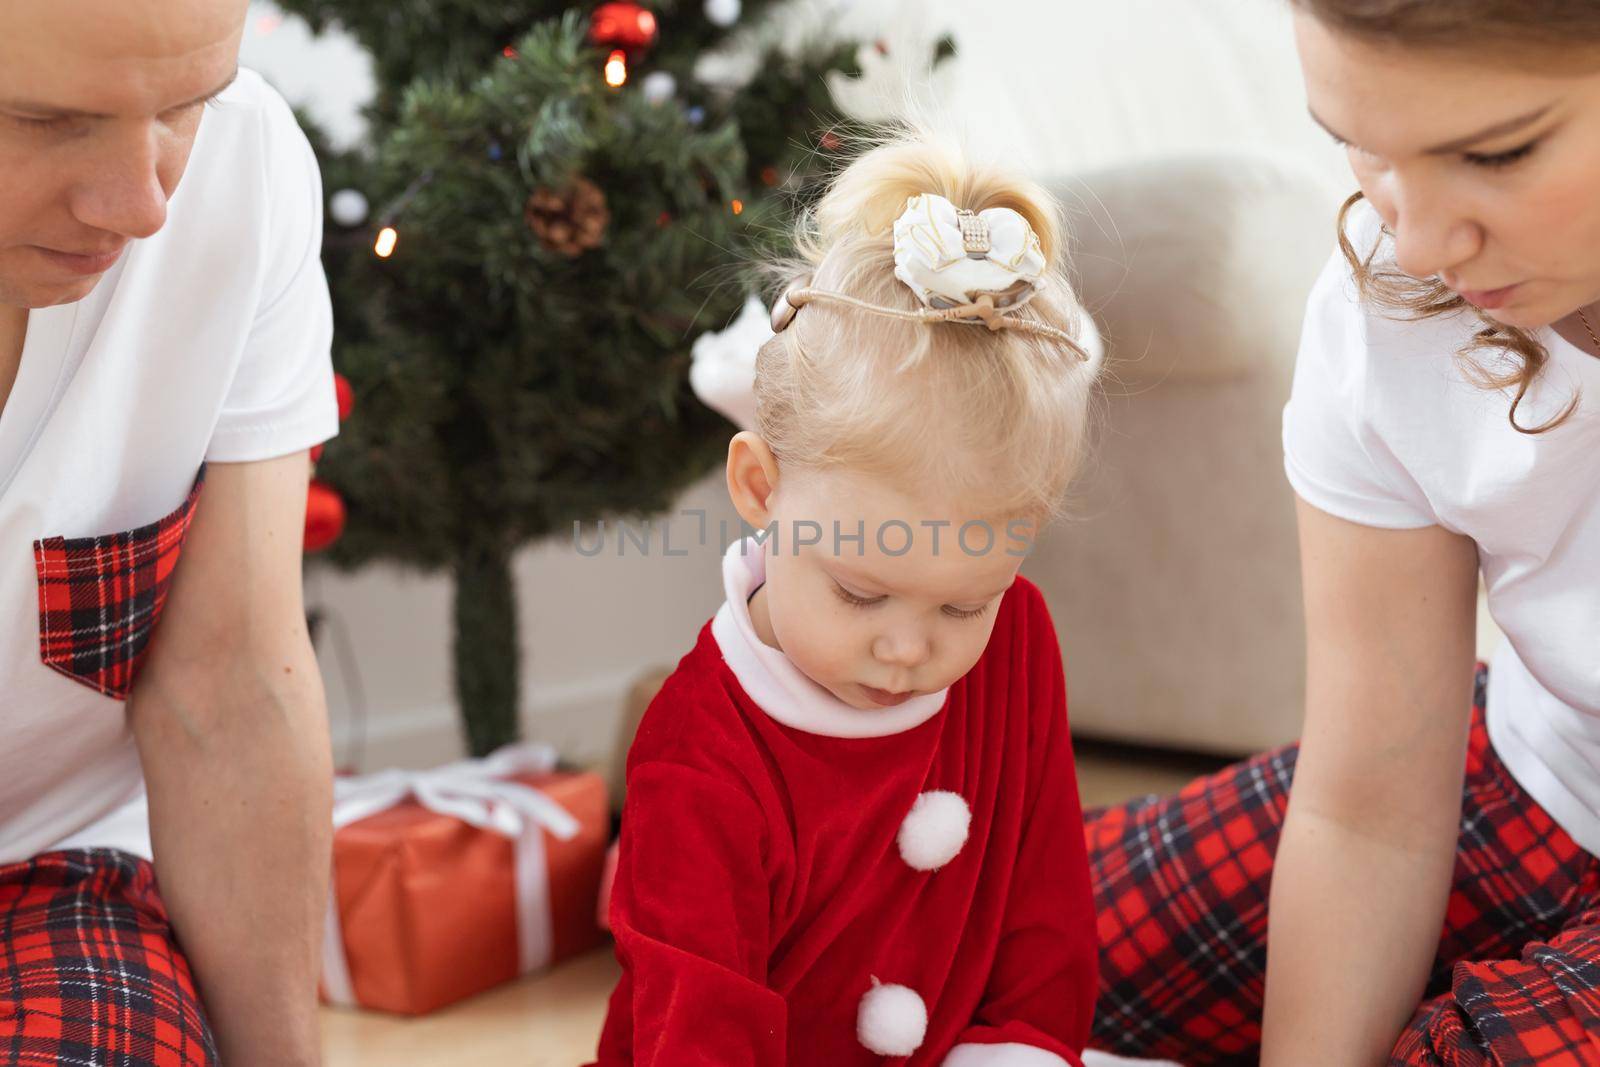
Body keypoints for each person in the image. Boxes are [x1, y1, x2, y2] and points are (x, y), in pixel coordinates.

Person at [1085, 2, 1600, 1065]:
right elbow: (1369, 809)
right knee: (975, 922)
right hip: (1536, 771)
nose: (1414, 239)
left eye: (1493, 153)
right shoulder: (1392, 298)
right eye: (1362, 148)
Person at [589, 131, 1104, 1065]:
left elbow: (1046, 918)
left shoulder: (1020, 635)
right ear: (760, 487)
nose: (910, 649)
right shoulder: (700, 758)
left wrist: (1022, 1048)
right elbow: (700, 1035)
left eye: (962, 607)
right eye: (862, 592)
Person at [0, 0, 338, 1063]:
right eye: (47, 120)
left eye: (186, 105)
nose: (144, 207)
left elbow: (229, 689)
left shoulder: (248, 172)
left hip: (43, 869)